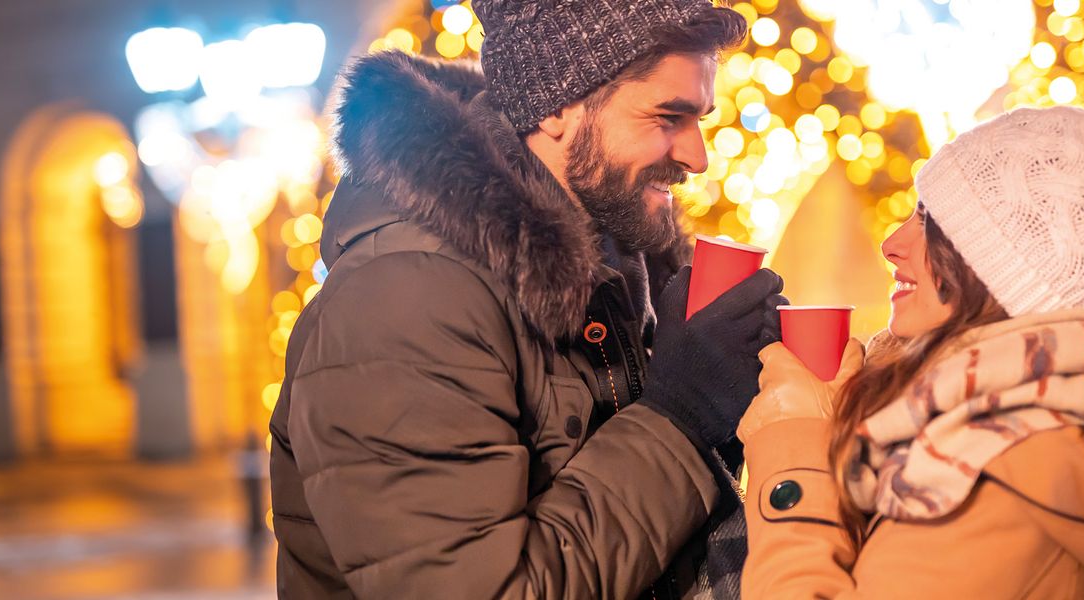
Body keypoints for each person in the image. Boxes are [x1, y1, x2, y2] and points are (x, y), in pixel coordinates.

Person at [268, 1, 783, 597]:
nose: (698, 157)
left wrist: (736, 406)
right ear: (557, 106)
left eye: (699, 120)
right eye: (668, 117)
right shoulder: (405, 297)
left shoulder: (620, 264)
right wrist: (681, 418)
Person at [736, 106, 1084, 598]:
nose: (892, 242)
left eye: (930, 222)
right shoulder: (1032, 422)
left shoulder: (1004, 464)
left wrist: (795, 448)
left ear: (996, 271)